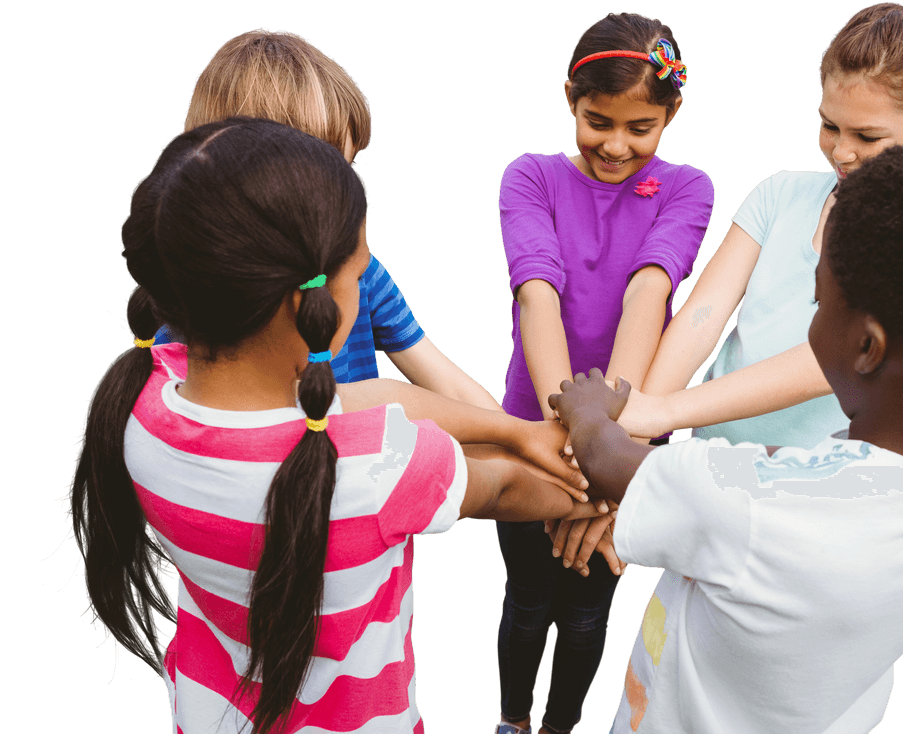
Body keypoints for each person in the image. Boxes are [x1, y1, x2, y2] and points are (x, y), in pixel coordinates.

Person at [66, 118, 604, 734]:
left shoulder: (141, 402)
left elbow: (364, 397)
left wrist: (515, 431)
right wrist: (595, 478)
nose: (369, 274)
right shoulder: (377, 468)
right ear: (306, 303)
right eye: (359, 268)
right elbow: (507, 489)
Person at [549, 139, 903, 733]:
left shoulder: (739, 508)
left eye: (817, 299)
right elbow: (816, 478)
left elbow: (607, 458)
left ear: (865, 347)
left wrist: (589, 409)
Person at [494, 12, 714, 734]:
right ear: (569, 100)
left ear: (671, 113)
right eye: (598, 121)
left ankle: (559, 728)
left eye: (640, 127)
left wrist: (605, 444)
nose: (616, 145)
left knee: (588, 611)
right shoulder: (531, 177)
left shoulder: (689, 190)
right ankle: (514, 720)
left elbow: (649, 293)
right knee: (528, 600)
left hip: (623, 447)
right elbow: (538, 293)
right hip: (535, 436)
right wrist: (568, 435)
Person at [616, 3, 903, 447]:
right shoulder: (779, 195)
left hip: (816, 499)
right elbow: (704, 316)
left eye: (868, 136)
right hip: (705, 469)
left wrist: (664, 411)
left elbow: (835, 357)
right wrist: (627, 439)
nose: (842, 153)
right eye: (829, 125)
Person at [161, 29, 502, 409]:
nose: (344, 198)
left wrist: (529, 442)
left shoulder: (361, 275)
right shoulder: (192, 317)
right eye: (323, 177)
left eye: (348, 169)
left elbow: (452, 388)